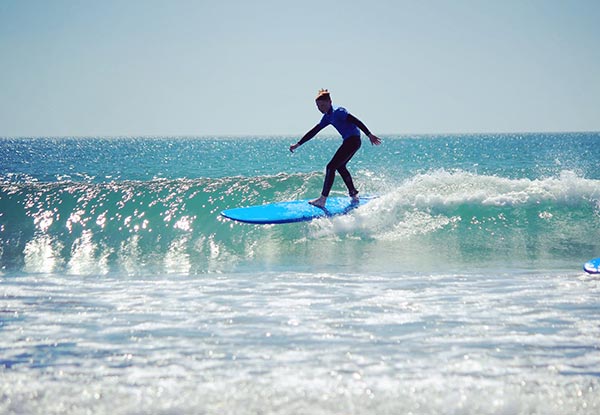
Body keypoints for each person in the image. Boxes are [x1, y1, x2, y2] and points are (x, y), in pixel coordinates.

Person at [289, 89, 381, 208]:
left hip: (353, 140)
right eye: (318, 106)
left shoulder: (339, 111)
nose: (320, 108)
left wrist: (369, 134)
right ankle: (353, 194)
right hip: (350, 141)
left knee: (331, 166)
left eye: (322, 105)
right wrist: (298, 144)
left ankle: (323, 199)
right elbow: (314, 131)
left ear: (330, 102)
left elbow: (356, 121)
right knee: (340, 166)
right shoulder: (327, 117)